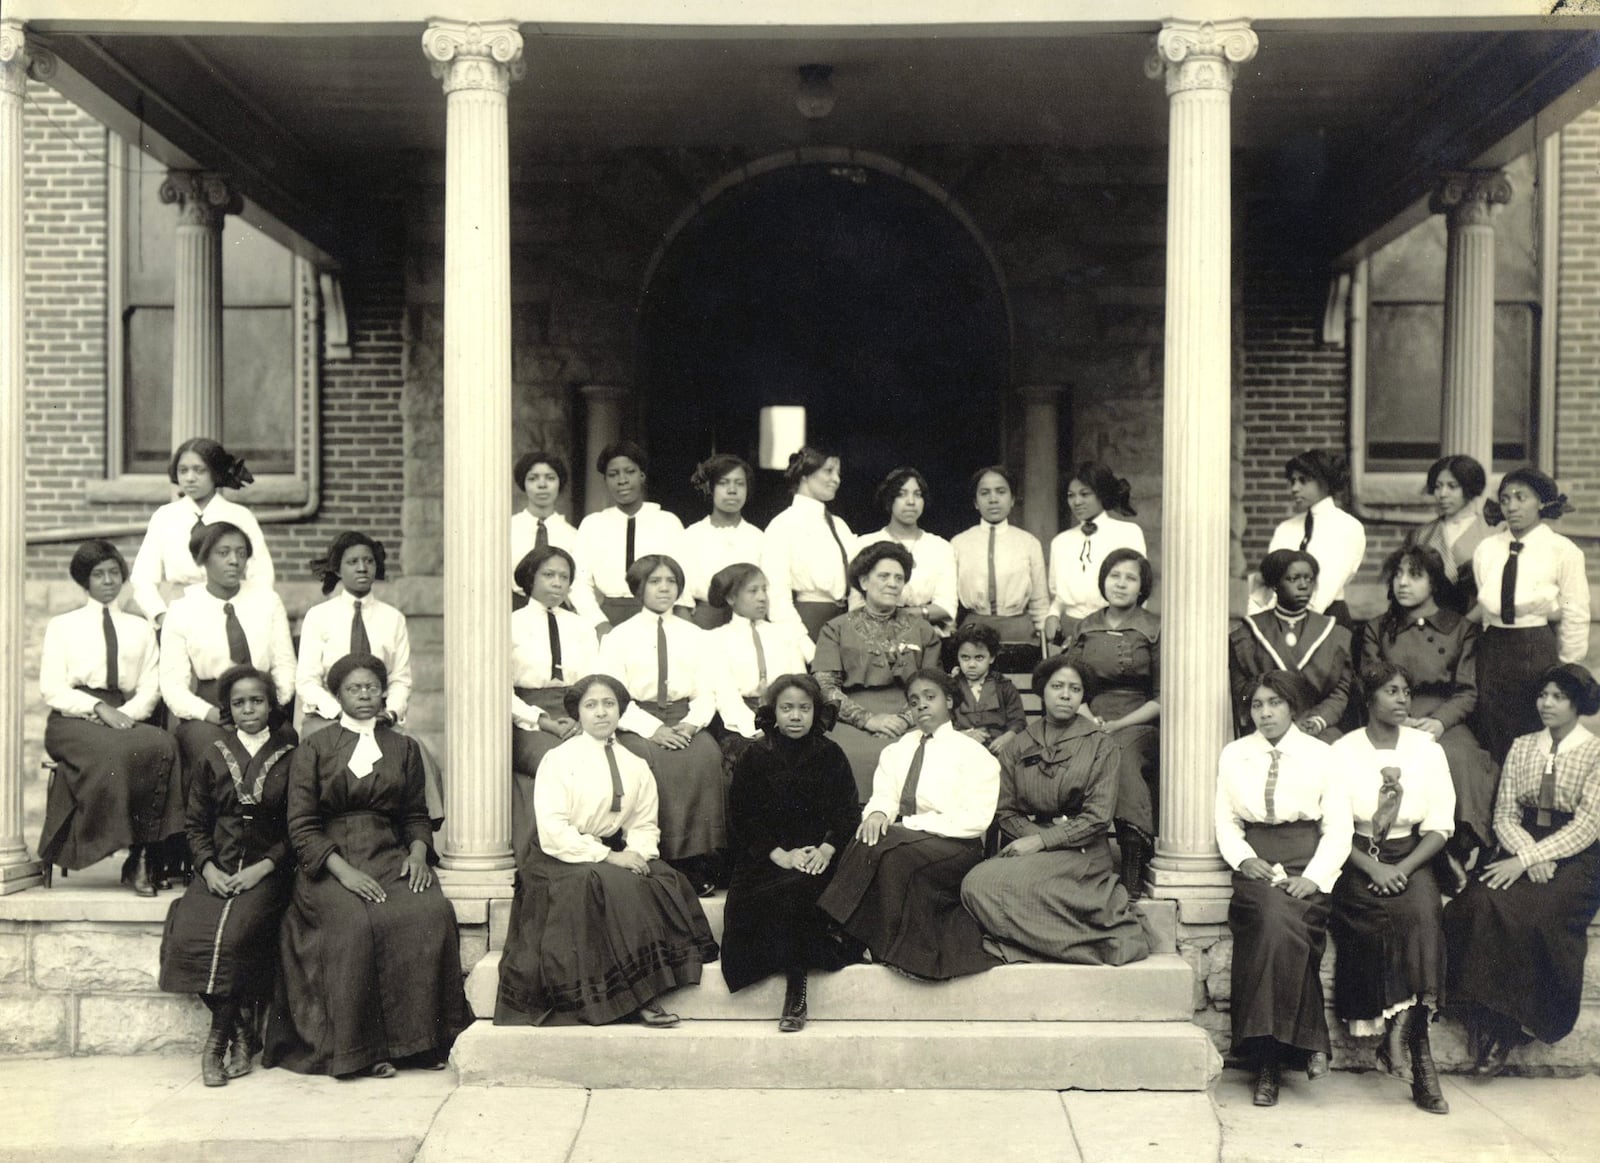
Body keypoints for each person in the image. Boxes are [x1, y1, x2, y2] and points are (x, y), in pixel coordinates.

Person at [264, 654, 468, 1078]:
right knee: (355, 924)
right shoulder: (315, 747)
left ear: (384, 693)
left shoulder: (403, 748)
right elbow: (301, 824)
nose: (364, 695)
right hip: (330, 861)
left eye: (372, 688)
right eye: (354, 689)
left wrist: (416, 853)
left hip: (389, 854)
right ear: (337, 695)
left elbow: (414, 813)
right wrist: (342, 871)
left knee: (429, 912)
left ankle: (421, 1043)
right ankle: (361, 1050)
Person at [496, 673, 719, 1029]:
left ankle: (654, 979)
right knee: (613, 886)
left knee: (662, 879)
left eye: (609, 704)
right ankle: (639, 998)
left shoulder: (636, 765)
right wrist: (611, 857)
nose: (601, 713)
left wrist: (638, 854)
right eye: (591, 705)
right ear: (578, 714)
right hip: (559, 857)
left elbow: (645, 825)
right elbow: (553, 831)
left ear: (620, 711)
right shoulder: (559, 759)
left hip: (611, 852)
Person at [1445, 663, 1600, 1078]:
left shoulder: (1596, 751)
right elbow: (1505, 814)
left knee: (1534, 917)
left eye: (1558, 697)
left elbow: (1588, 824)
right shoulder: (1523, 745)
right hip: (1521, 843)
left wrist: (1532, 859)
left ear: (1578, 704)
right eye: (1542, 695)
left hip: (1578, 857)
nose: (1546, 704)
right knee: (1478, 902)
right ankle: (1483, 1013)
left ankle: (1510, 1027)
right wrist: (1527, 855)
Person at [1215, 670, 1353, 1107]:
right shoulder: (1235, 754)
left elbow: (1339, 826)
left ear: (1292, 706)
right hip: (1257, 862)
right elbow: (1225, 819)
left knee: (1286, 925)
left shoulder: (1322, 754)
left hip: (1306, 860)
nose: (1265, 712)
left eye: (1274, 703)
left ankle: (1268, 1060)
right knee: (1272, 919)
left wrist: (1314, 876)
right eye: (1257, 705)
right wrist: (1242, 858)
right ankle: (1303, 1047)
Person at [960, 655, 1150, 967]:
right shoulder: (1019, 745)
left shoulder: (1100, 744)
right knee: (975, 884)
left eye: (1074, 689)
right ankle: (1043, 944)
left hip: (1083, 851)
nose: (1065, 694)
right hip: (1032, 843)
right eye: (1057, 686)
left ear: (1082, 696)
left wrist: (1043, 842)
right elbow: (1006, 810)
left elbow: (1098, 817)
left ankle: (1061, 946)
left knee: (995, 885)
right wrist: (1035, 838)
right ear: (1042, 691)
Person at [158, 665, 296, 1087]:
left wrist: (263, 867)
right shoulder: (213, 752)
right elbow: (196, 823)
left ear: (271, 705)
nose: (248, 709)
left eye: (257, 701)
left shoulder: (293, 754)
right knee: (188, 934)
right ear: (227, 708)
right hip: (219, 869)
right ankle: (241, 1031)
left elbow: (298, 827)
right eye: (239, 702)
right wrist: (207, 868)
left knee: (235, 935)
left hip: (268, 872)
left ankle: (214, 1044)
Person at [817, 668, 1001, 981]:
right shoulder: (898, 750)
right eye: (914, 701)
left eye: (930, 698)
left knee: (890, 850)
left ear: (950, 701)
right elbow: (885, 796)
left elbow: (976, 819)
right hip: (905, 838)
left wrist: (911, 824)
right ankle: (843, 929)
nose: (922, 706)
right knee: (867, 836)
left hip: (956, 844)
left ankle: (837, 924)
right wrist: (877, 814)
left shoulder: (973, 753)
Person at [1328, 662, 1454, 1115]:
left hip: (1413, 855)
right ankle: (1400, 1038)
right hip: (1356, 858)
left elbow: (1441, 824)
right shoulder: (1343, 751)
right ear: (1369, 698)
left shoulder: (1426, 749)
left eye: (1406, 691)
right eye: (1391, 691)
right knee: (1373, 918)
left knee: (1423, 915)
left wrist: (1405, 867)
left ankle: (1417, 1050)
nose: (1402, 699)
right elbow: (1335, 827)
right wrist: (1374, 869)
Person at [37, 540, 183, 894]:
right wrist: (97, 709)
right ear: (84, 581)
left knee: (164, 743)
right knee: (115, 752)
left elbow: (151, 686)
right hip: (70, 720)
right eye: (98, 575)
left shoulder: (140, 627)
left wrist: (124, 715)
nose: (107, 581)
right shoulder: (63, 625)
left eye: (114, 573)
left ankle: (145, 854)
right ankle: (107, 843)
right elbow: (52, 688)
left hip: (124, 715)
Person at [722, 675, 863, 1031]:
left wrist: (827, 849)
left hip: (818, 855)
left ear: (816, 712)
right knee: (768, 893)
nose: (796, 716)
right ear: (774, 712)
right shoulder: (756, 755)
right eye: (787, 708)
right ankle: (780, 965)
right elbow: (742, 816)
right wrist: (778, 854)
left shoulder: (831, 754)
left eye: (804, 708)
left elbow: (847, 811)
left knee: (802, 889)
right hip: (767, 856)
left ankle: (796, 988)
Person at [1358, 545, 1498, 873]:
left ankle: (1457, 849)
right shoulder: (1378, 628)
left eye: (1414, 575)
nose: (1402, 583)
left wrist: (1438, 723)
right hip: (1388, 714)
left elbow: (1466, 691)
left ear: (1434, 583)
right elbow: (1371, 679)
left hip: (1442, 716)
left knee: (1461, 758)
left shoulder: (1461, 629)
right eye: (1397, 575)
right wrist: (1396, 715)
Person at [294, 532, 447, 825]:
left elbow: (401, 679)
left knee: (417, 756)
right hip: (328, 719)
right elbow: (307, 680)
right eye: (352, 562)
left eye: (368, 561)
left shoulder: (393, 619)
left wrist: (389, 713)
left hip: (376, 718)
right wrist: (340, 713)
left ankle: (418, 837)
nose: (362, 567)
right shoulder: (319, 616)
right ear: (337, 569)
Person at [597, 554, 727, 893]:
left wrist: (690, 725)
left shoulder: (697, 636)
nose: (664, 588)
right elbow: (613, 695)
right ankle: (658, 857)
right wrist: (652, 729)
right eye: (655, 582)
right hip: (637, 721)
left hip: (683, 718)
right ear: (638, 588)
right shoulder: (618, 637)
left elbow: (707, 691)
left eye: (671, 582)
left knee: (705, 755)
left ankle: (694, 860)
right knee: (648, 760)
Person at [1471, 467, 1589, 764]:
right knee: (1491, 725)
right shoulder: (1486, 549)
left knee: (1533, 726)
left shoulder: (1563, 550)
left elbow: (1576, 610)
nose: (1511, 506)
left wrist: (1567, 667)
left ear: (1541, 503)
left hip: (1536, 647)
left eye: (1521, 497)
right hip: (1493, 647)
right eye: (1505, 498)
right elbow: (1486, 606)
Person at [159, 522, 296, 776]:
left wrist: (271, 705)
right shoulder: (183, 609)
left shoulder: (267, 600)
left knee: (284, 744)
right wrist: (208, 713)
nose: (234, 560)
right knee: (219, 756)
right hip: (210, 711)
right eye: (223, 553)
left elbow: (285, 665)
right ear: (204, 559)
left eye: (241, 553)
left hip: (263, 706)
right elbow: (172, 684)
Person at [1063, 548, 1161, 895]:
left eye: (1130, 577)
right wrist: (1088, 716)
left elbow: (1162, 698)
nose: (1121, 584)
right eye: (1114, 576)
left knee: (1118, 751)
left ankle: (1134, 857)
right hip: (1087, 717)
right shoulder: (1086, 627)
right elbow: (1069, 681)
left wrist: (1117, 725)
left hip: (1139, 721)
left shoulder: (1154, 628)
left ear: (1142, 586)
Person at [814, 542, 943, 799]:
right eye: (883, 576)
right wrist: (868, 719)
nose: (892, 584)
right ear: (863, 581)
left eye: (899, 578)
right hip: (848, 719)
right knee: (841, 756)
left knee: (924, 755)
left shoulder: (922, 629)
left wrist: (904, 719)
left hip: (914, 715)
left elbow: (934, 685)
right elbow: (825, 687)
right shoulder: (835, 628)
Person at [510, 545, 600, 862]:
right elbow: (501, 693)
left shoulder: (582, 627)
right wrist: (542, 721)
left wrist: (582, 719)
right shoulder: (510, 623)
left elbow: (592, 682)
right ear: (529, 578)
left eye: (564, 576)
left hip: (577, 714)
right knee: (558, 761)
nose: (557, 583)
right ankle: (545, 856)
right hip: (527, 718)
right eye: (549, 575)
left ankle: (590, 848)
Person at [130, 438, 275, 626]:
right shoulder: (164, 517)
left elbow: (262, 575)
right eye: (183, 470)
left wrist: (249, 615)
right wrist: (161, 615)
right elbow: (143, 577)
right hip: (179, 613)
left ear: (215, 473)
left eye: (199, 470)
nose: (190, 478)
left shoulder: (240, 516)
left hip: (230, 613)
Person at [1229, 549, 1352, 743]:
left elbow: (1340, 691)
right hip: (1265, 728)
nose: (1304, 586)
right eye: (1293, 579)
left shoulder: (1335, 634)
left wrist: (1318, 720)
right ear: (1275, 584)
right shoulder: (1247, 634)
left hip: (1315, 730)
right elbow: (1242, 693)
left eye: (1309, 579)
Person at [574, 440, 690, 631]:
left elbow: (682, 580)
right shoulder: (593, 524)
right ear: (605, 481)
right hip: (607, 618)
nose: (622, 480)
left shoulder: (667, 522)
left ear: (642, 476)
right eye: (613, 474)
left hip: (660, 617)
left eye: (630, 472)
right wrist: (598, 623)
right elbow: (579, 581)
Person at [1250, 449, 1365, 628]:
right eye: (1293, 481)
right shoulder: (1285, 529)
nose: (1294, 488)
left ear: (1325, 482)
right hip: (1278, 622)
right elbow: (1267, 584)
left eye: (1303, 480)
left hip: (1327, 621)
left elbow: (1326, 588)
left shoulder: (1346, 527)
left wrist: (1294, 627)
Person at [706, 562, 814, 744]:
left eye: (765, 590)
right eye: (753, 591)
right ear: (732, 598)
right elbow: (726, 694)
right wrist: (753, 728)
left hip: (787, 717)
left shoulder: (784, 634)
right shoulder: (717, 639)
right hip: (740, 723)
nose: (763, 597)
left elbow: (799, 682)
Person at [951, 466, 1049, 665]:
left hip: (1019, 633)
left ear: (1012, 499)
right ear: (975, 502)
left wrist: (1044, 638)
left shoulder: (1028, 542)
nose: (993, 499)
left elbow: (1039, 601)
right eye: (985, 493)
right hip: (973, 633)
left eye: (1001, 492)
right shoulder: (959, 543)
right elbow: (950, 601)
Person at [1044, 462, 1147, 648]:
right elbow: (1059, 595)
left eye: (1085, 494)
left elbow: (1140, 591)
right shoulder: (1060, 542)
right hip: (1071, 631)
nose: (1076, 502)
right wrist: (1052, 615)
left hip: (1115, 629)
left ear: (1102, 493)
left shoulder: (1129, 533)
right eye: (1071, 495)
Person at [763, 446, 858, 640]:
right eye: (828, 471)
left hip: (844, 625)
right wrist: (805, 647)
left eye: (838, 473)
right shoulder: (782, 525)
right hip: (806, 626)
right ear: (805, 474)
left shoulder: (839, 526)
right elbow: (777, 597)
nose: (836, 480)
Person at [859, 467, 957, 633]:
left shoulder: (940, 547)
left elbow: (946, 608)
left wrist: (900, 614)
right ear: (889, 499)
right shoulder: (866, 543)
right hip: (875, 635)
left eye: (917, 494)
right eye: (902, 494)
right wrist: (923, 612)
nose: (911, 501)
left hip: (929, 635)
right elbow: (858, 605)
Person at [509, 451, 598, 622]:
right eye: (533, 478)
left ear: (559, 483)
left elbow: (580, 585)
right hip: (513, 611)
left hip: (559, 614)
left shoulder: (573, 535)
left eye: (550, 478)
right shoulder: (507, 530)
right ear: (523, 483)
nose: (542, 485)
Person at [681, 453, 766, 630]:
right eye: (723, 483)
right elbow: (682, 602)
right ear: (710, 488)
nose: (732, 490)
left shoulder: (758, 538)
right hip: (702, 626)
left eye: (739, 483)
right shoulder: (691, 536)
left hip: (750, 626)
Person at [1408, 454, 1493, 615]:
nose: (1442, 494)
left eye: (1452, 486)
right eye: (1438, 486)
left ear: (1469, 489)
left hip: (1479, 621)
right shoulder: (1422, 535)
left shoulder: (1491, 532)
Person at [949, 621, 1026, 756]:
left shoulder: (1004, 687)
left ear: (991, 658)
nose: (971, 664)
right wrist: (964, 735)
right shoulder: (950, 687)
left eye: (979, 658)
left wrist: (1006, 738)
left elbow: (1018, 721)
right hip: (962, 751)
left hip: (999, 750)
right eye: (965, 657)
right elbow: (944, 724)